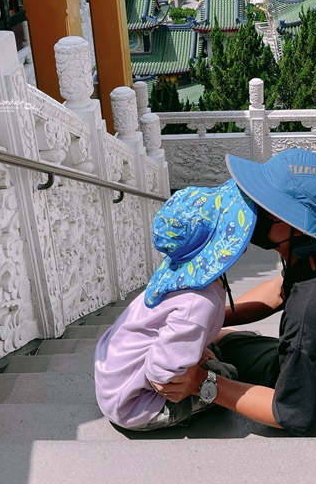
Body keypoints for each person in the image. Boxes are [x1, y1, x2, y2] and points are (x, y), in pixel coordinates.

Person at [152, 148, 316, 436]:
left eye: (264, 208)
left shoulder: (314, 310)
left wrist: (199, 383)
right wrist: (216, 319)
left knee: (222, 348)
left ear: (296, 227)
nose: (250, 210)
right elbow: (280, 290)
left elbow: (291, 414)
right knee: (219, 334)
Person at [94, 177, 257, 430]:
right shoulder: (199, 303)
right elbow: (161, 375)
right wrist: (196, 370)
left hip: (113, 379)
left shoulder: (174, 271)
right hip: (134, 404)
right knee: (229, 374)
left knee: (212, 354)